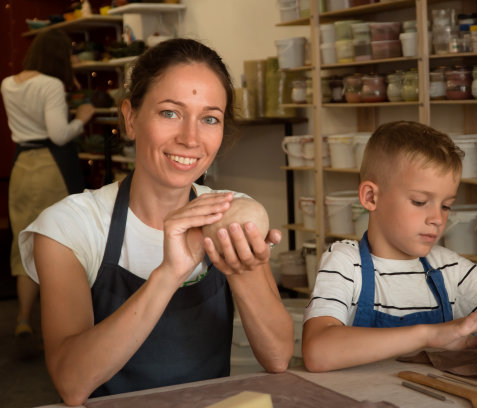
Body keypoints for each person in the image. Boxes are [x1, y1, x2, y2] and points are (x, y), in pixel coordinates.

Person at [18, 38, 294, 405]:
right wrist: (168, 274)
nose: (190, 138)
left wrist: (241, 270)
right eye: (170, 112)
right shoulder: (69, 227)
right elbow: (71, 382)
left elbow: (277, 357)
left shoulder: (230, 215)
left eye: (209, 118)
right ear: (130, 118)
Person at [302, 121, 477, 372]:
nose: (437, 218)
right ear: (371, 197)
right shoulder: (346, 263)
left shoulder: (448, 268)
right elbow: (317, 352)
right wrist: (430, 335)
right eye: (419, 201)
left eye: (445, 205)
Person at [1, 29, 95, 338]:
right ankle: (61, 328)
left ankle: (24, 319)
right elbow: (58, 134)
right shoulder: (51, 84)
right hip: (50, 166)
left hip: (21, 167)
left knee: (23, 245)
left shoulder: (8, 83)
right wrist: (82, 117)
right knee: (58, 244)